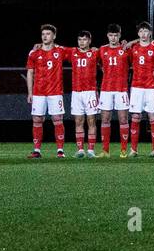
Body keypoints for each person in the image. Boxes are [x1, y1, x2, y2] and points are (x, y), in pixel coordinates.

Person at [25, 24, 67, 158]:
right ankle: (37, 150)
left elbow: (79, 52)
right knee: (37, 120)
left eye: (48, 34)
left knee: (57, 119)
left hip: (55, 92)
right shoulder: (34, 53)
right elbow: (30, 73)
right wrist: (30, 93)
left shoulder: (60, 51)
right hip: (38, 93)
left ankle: (60, 150)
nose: (45, 36)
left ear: (54, 36)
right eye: (43, 34)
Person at [127, 21, 154, 157]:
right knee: (135, 116)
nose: (143, 34)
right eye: (141, 31)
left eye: (146, 31)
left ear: (150, 33)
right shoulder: (133, 48)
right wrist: (131, 42)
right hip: (136, 87)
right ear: (138, 33)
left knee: (152, 116)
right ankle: (134, 149)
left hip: (151, 87)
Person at [97, 24, 131, 157]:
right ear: (107, 36)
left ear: (120, 35)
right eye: (111, 35)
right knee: (105, 119)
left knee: (123, 119)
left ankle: (123, 150)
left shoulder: (125, 50)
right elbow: (97, 62)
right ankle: (105, 151)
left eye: (116, 35)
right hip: (106, 89)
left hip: (121, 89)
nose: (113, 38)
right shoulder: (102, 49)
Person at [65, 30, 100, 158]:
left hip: (90, 92)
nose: (82, 42)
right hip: (76, 92)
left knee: (91, 121)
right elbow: (54, 48)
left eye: (85, 40)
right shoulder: (72, 52)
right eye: (80, 40)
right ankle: (80, 150)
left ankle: (91, 150)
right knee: (78, 121)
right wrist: (40, 45)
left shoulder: (95, 52)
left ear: (89, 41)